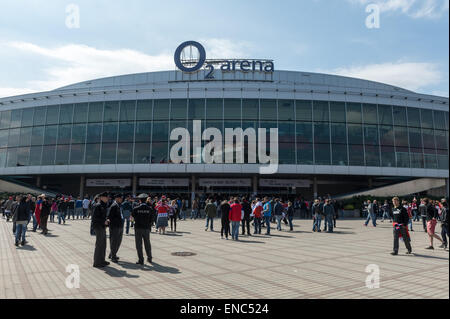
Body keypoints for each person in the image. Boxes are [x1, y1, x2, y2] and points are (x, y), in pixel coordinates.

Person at [131, 194, 154, 265]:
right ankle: (149, 258)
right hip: (146, 228)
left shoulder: (135, 208)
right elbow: (152, 219)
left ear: (140, 200)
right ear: (146, 200)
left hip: (138, 228)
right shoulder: (150, 209)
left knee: (139, 244)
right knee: (147, 243)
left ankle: (141, 260)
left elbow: (132, 219)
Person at [92, 192, 110, 268]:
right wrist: (103, 221)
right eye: (106, 197)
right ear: (102, 197)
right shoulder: (98, 205)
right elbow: (94, 218)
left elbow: (103, 216)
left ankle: (102, 260)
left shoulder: (104, 205)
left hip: (102, 227)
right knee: (99, 245)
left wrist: (107, 220)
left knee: (103, 244)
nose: (107, 198)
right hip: (98, 227)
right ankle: (96, 262)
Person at [108, 193, 124, 263]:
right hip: (115, 227)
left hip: (119, 226)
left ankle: (112, 254)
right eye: (120, 198)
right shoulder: (113, 206)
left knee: (118, 241)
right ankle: (113, 256)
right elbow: (109, 217)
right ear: (117, 198)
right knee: (114, 242)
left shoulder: (118, 205)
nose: (121, 199)